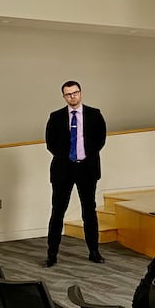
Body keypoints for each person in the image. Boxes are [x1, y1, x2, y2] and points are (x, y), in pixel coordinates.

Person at [45, 80, 107, 267]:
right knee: (57, 211)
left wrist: (84, 156)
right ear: (64, 96)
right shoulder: (55, 117)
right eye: (68, 94)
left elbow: (100, 140)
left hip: (87, 169)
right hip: (63, 169)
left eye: (75, 93)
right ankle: (52, 254)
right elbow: (51, 143)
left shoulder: (94, 115)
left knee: (89, 211)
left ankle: (94, 252)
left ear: (81, 93)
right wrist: (67, 157)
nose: (73, 96)